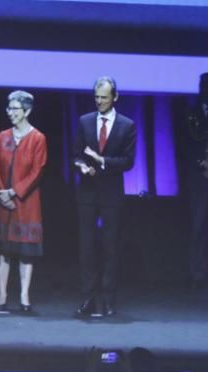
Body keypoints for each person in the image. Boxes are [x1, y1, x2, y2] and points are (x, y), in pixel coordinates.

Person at [72, 76, 136, 318]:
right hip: (87, 193)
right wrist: (81, 166)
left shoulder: (126, 125)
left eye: (104, 98)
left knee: (110, 247)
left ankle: (109, 299)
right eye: (96, 97)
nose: (99, 102)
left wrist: (102, 161)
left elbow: (128, 162)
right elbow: (75, 154)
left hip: (111, 194)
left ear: (115, 97)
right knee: (86, 247)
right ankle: (88, 298)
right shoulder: (85, 121)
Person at [0, 90, 48, 314]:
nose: (10, 113)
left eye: (15, 109)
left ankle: (24, 296)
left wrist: (15, 192)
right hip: (2, 202)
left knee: (25, 252)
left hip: (26, 202)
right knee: (3, 250)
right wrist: (2, 193)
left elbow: (37, 170)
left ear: (27, 111)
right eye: (9, 108)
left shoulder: (38, 138)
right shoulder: (2, 136)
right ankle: (2, 297)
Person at [185, 73, 208, 290]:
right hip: (199, 177)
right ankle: (198, 274)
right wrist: (203, 165)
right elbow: (185, 146)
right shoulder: (191, 112)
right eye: (202, 86)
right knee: (198, 226)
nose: (205, 90)